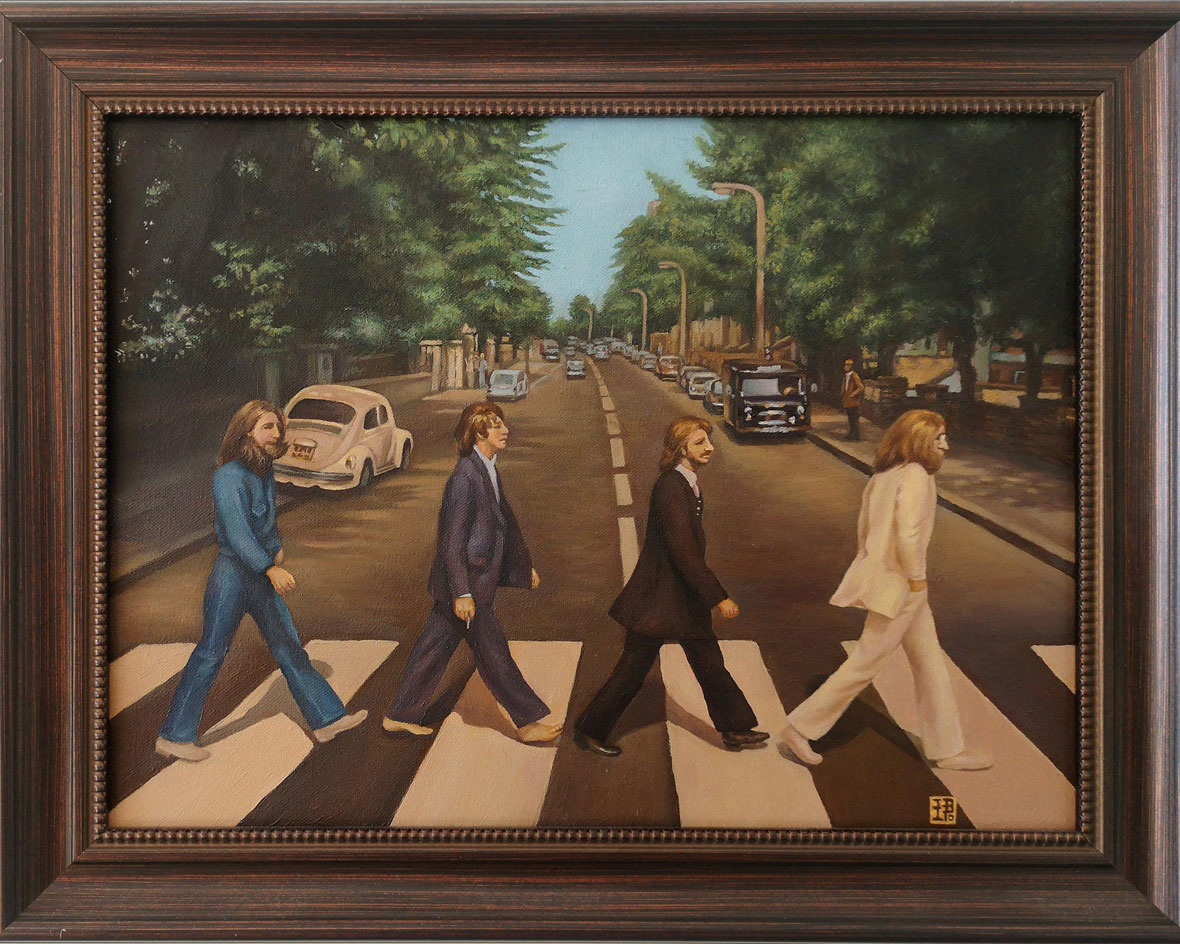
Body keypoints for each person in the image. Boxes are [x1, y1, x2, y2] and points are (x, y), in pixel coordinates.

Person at [779, 409, 991, 771]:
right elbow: (908, 534)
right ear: (920, 441)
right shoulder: (917, 476)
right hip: (903, 585)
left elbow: (863, 532)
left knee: (929, 663)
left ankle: (947, 749)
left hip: (892, 582)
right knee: (866, 662)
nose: (946, 445)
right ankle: (800, 728)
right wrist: (916, 578)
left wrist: (877, 570)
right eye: (939, 438)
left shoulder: (883, 476)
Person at [156, 401, 367, 762]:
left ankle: (327, 719)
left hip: (259, 573)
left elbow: (266, 519)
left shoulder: (264, 469)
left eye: (279, 427)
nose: (277, 434)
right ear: (246, 432)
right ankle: (174, 735)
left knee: (288, 646)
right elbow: (237, 533)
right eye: (268, 427)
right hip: (233, 576)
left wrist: (276, 547)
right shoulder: (229, 477)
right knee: (211, 652)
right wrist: (269, 567)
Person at [574, 417, 767, 756]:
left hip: (681, 597)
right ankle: (591, 729)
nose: (709, 447)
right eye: (699, 442)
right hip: (660, 599)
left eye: (708, 441)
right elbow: (684, 552)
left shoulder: (685, 484)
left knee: (709, 662)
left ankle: (735, 728)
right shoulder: (671, 488)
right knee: (633, 668)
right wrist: (718, 597)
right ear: (681, 449)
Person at [382, 401, 561, 744]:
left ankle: (399, 715)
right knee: (494, 654)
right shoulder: (464, 477)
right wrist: (462, 592)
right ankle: (527, 721)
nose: (505, 430)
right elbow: (452, 541)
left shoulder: (486, 469)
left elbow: (502, 525)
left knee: (433, 648)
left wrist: (522, 568)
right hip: (469, 585)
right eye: (496, 426)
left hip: (471, 582)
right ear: (479, 433)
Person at [841, 357, 865, 441]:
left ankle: (855, 436)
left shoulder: (854, 375)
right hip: (847, 401)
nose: (846, 367)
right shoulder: (846, 376)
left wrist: (852, 394)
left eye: (848, 365)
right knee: (850, 419)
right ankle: (852, 434)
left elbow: (861, 387)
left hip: (853, 402)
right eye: (845, 365)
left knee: (854, 419)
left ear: (851, 367)